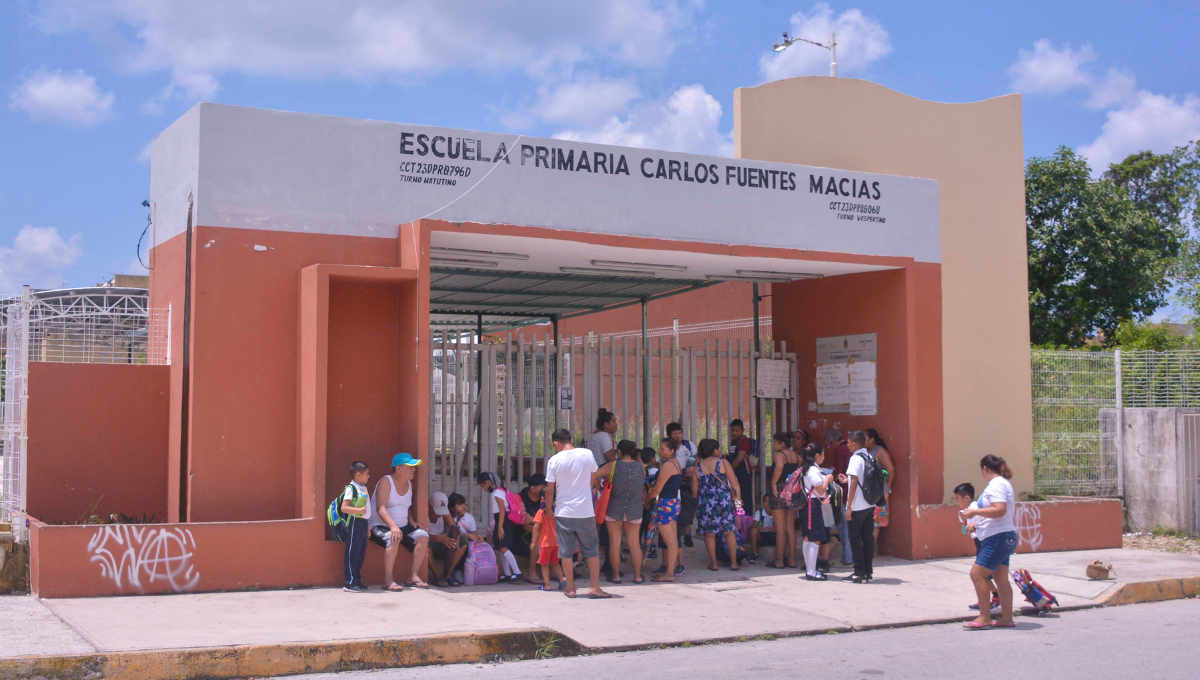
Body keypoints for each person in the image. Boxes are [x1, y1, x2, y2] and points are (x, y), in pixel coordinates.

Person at [544, 428, 611, 599]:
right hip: (585, 512)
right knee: (591, 549)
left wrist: (549, 508)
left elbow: (550, 490)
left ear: (556, 443)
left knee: (566, 552)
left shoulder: (554, 460)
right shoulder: (587, 454)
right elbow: (594, 477)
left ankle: (571, 589)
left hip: (563, 512)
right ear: (571, 439)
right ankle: (595, 588)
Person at [960, 455, 1018, 629]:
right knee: (1000, 578)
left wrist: (971, 514)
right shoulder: (1000, 484)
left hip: (997, 538)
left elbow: (999, 510)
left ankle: (984, 617)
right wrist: (975, 523)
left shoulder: (996, 485)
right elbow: (995, 513)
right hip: (1002, 536)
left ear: (985, 469)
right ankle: (1007, 618)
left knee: (977, 574)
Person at [369, 453, 431, 591]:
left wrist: (412, 521)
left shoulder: (409, 484)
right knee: (393, 538)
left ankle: (413, 576)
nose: (413, 470)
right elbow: (381, 508)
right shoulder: (386, 482)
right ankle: (388, 580)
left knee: (423, 536)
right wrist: (393, 527)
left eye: (414, 467)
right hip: (380, 526)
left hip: (402, 526)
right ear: (398, 469)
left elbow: (405, 506)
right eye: (410, 467)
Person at [598, 439, 646, 584]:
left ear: (619, 451)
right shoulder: (640, 466)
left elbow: (593, 475)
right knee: (634, 543)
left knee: (614, 542)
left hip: (614, 508)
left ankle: (616, 576)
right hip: (635, 509)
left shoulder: (613, 466)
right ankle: (638, 576)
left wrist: (600, 489)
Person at [693, 438, 741, 572]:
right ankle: (734, 563)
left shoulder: (698, 467)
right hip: (724, 501)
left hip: (706, 503)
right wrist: (738, 505)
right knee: (729, 532)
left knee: (709, 534)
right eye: (719, 448)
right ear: (715, 450)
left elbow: (694, 490)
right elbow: (735, 484)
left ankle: (714, 564)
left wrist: (697, 507)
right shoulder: (723, 462)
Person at [954, 482, 1000, 614]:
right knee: (982, 574)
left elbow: (983, 519)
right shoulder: (968, 510)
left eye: (958, 498)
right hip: (979, 542)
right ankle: (988, 597)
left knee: (980, 573)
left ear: (967, 498)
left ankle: (995, 597)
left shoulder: (976, 507)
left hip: (984, 542)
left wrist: (974, 523)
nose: (957, 502)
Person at [647, 437, 684, 581]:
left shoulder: (668, 465)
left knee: (670, 541)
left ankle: (669, 573)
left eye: (663, 449)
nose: (660, 452)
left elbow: (657, 489)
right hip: (674, 503)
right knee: (673, 539)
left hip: (665, 504)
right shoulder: (676, 463)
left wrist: (647, 499)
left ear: (672, 450)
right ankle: (669, 571)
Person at [475, 471, 522, 583]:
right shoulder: (501, 491)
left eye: (483, 486)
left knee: (503, 547)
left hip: (503, 521)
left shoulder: (497, 493)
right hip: (501, 521)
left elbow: (502, 510)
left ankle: (517, 572)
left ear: (488, 483)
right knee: (500, 546)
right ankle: (507, 573)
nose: (484, 489)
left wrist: (500, 527)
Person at [843, 431, 875, 584]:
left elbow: (854, 482)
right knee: (868, 539)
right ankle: (868, 572)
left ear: (855, 444)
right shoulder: (869, 456)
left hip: (857, 506)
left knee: (854, 539)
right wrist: (846, 480)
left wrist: (848, 507)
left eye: (848, 442)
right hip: (869, 504)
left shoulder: (855, 458)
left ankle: (858, 572)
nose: (847, 445)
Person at [799, 442, 833, 581]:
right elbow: (820, 490)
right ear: (817, 455)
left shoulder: (805, 468)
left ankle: (810, 569)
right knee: (815, 538)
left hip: (808, 505)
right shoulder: (813, 470)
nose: (824, 457)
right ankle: (812, 572)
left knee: (808, 537)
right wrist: (829, 479)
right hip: (813, 505)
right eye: (823, 454)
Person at [766, 431, 800, 569]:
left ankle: (779, 560)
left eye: (775, 443)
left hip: (780, 488)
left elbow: (779, 467)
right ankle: (792, 559)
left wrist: (774, 483)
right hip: (793, 489)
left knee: (780, 528)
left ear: (782, 444)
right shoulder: (797, 456)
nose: (773, 445)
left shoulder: (780, 455)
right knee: (790, 527)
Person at [339, 461, 372, 593]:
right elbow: (344, 507)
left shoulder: (363, 488)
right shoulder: (350, 489)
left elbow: (366, 508)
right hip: (354, 523)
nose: (368, 476)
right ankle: (350, 582)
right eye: (366, 474)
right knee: (352, 552)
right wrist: (358, 512)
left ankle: (357, 580)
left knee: (360, 553)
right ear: (358, 475)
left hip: (363, 523)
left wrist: (367, 526)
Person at [667, 422, 699, 548]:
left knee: (686, 507)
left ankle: (687, 536)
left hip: (687, 480)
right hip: (674, 479)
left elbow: (697, 459)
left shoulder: (689, 445)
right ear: (669, 435)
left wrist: (694, 469)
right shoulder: (669, 447)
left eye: (679, 433)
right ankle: (676, 535)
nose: (678, 436)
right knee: (675, 508)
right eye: (675, 434)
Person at [825, 429, 854, 567]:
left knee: (844, 528)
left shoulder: (839, 451)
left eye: (830, 445)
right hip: (855, 494)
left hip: (843, 493)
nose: (830, 448)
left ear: (834, 442)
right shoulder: (852, 449)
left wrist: (828, 477)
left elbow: (839, 473)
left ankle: (847, 557)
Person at [865, 428, 896, 542]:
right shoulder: (866, 451)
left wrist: (888, 484)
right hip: (869, 492)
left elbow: (890, 469)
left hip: (879, 493)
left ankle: (871, 549)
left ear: (872, 439)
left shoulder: (880, 451)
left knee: (875, 523)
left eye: (865, 438)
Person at [534, 491, 567, 591]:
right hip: (555, 542)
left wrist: (533, 542)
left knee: (544, 565)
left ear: (543, 498)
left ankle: (547, 585)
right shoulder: (556, 511)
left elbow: (536, 527)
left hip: (545, 543)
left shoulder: (541, 512)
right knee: (555, 563)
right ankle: (562, 579)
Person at [517, 474, 547, 583]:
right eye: (542, 486)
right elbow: (526, 527)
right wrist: (540, 525)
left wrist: (533, 521)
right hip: (520, 536)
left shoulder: (544, 499)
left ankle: (554, 571)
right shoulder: (521, 500)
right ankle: (531, 573)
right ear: (532, 488)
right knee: (537, 537)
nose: (545, 489)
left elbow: (549, 522)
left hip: (538, 531)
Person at [426, 491, 459, 587]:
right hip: (429, 541)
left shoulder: (445, 513)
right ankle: (437, 575)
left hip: (442, 542)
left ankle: (448, 574)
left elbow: (454, 527)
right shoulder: (422, 512)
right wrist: (437, 538)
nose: (440, 515)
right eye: (437, 511)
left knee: (463, 542)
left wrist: (456, 537)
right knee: (424, 546)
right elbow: (420, 533)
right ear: (429, 506)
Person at [726, 419, 756, 515]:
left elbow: (739, 459)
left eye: (737, 431)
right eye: (733, 430)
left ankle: (747, 518)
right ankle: (739, 516)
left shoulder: (744, 441)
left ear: (743, 430)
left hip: (743, 474)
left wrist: (728, 470)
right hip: (735, 473)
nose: (734, 433)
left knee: (745, 497)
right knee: (737, 496)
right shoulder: (734, 441)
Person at [748, 493, 776, 564]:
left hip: (773, 536)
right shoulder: (759, 512)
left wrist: (773, 529)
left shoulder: (776, 513)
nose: (766, 504)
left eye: (769, 502)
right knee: (754, 531)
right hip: (762, 536)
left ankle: (782, 556)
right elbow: (754, 525)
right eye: (765, 501)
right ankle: (754, 554)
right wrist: (763, 528)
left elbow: (780, 526)